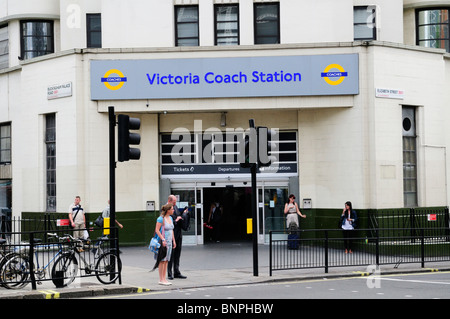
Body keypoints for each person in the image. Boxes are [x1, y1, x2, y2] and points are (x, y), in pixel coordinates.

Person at [154, 203, 176, 286]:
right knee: (162, 260)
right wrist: (163, 239)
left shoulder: (170, 218)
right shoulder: (161, 219)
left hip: (169, 242)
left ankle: (164, 278)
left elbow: (172, 230)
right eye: (172, 209)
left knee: (166, 260)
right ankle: (161, 279)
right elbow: (157, 230)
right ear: (168, 210)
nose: (173, 210)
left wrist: (174, 241)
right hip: (163, 242)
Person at [167, 195, 187, 280]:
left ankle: (176, 271)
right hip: (171, 234)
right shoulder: (166, 208)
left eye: (175, 202)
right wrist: (176, 220)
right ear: (169, 200)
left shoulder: (175, 207)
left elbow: (177, 216)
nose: (175, 204)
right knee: (171, 254)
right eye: (174, 202)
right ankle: (169, 273)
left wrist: (183, 214)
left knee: (177, 254)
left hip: (178, 234)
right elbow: (168, 222)